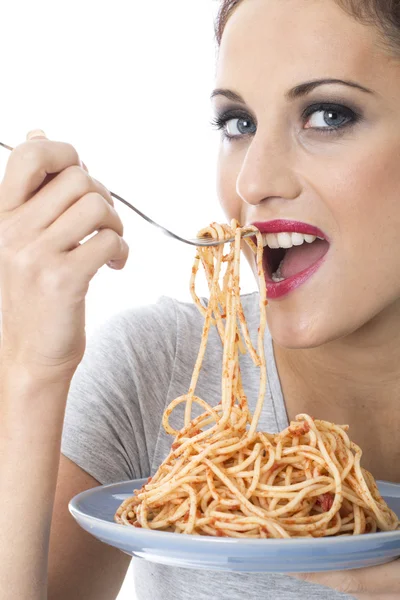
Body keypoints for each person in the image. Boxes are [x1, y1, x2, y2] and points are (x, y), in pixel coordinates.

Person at [0, 0, 399, 598]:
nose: (253, 183)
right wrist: (29, 369)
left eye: (327, 114)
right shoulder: (158, 366)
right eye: (238, 123)